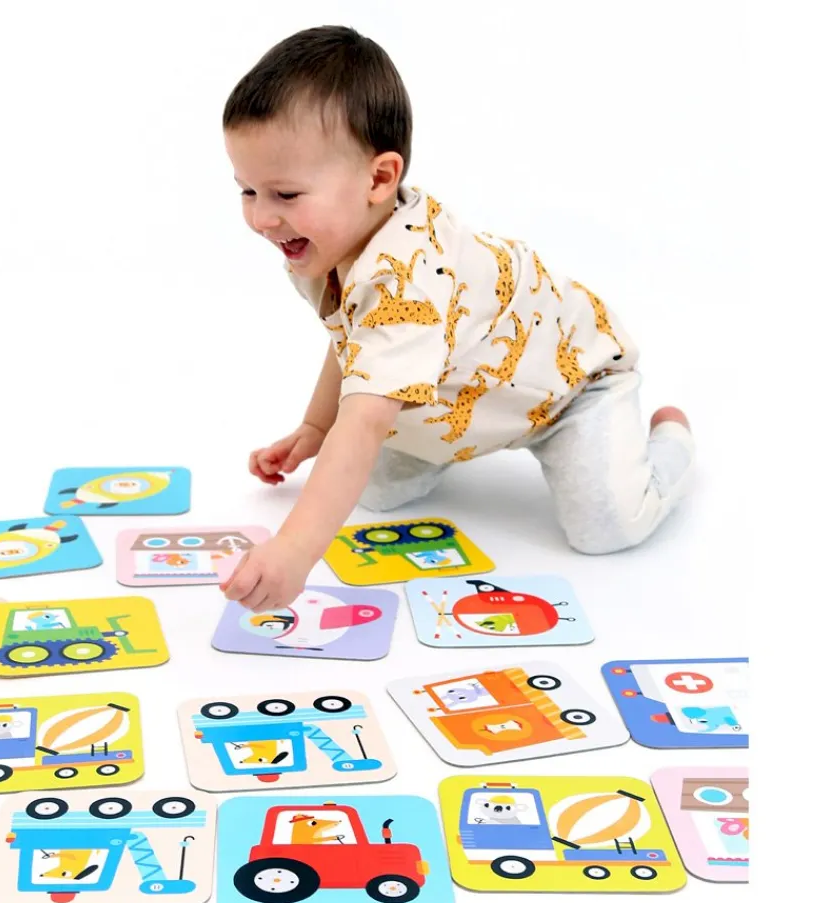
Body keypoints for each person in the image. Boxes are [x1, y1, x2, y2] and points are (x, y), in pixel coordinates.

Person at [219, 25, 695, 614]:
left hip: (573, 388)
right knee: (375, 492)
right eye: (247, 191)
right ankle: (445, 445)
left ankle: (672, 444)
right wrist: (316, 427)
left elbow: (363, 424)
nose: (262, 219)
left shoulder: (407, 281)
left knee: (606, 529)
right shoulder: (327, 242)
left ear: (379, 179)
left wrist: (294, 551)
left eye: (285, 195)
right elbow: (352, 339)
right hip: (460, 393)